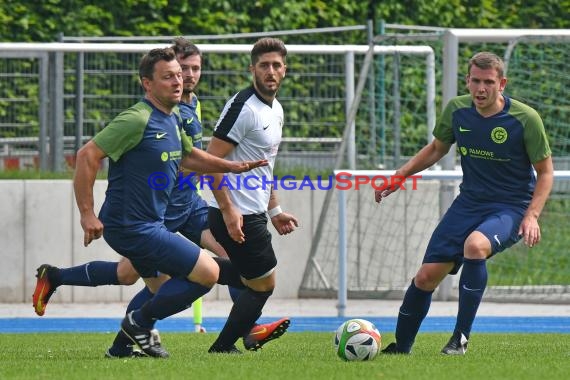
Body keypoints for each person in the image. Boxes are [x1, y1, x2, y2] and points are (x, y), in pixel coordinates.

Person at [72, 46, 267, 358]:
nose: (179, 81)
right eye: (169, 77)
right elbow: (87, 155)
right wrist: (87, 213)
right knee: (204, 273)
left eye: (179, 75)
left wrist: (230, 166)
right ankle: (140, 322)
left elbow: (190, 156)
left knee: (177, 279)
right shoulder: (136, 119)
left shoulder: (175, 117)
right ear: (147, 84)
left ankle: (125, 342)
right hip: (129, 226)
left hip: (151, 224)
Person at [375, 52, 553, 355]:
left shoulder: (525, 119)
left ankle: (460, 339)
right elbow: (436, 149)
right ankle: (402, 347)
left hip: (510, 207)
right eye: (475, 81)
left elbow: (545, 172)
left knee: (475, 246)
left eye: (488, 82)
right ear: (467, 81)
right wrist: (400, 175)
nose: (481, 89)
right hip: (468, 203)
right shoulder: (457, 110)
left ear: (502, 84)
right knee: (426, 276)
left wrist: (532, 215)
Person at [205, 37, 299, 354]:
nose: (270, 71)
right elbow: (211, 162)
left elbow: (265, 168)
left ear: (285, 70)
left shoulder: (277, 110)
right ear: (252, 70)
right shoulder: (243, 108)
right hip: (237, 213)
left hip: (255, 213)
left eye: (276, 65)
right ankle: (222, 346)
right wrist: (229, 210)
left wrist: (276, 212)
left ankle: (192, 267)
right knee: (263, 285)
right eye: (263, 66)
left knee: (251, 280)